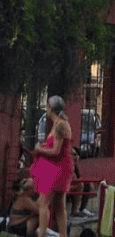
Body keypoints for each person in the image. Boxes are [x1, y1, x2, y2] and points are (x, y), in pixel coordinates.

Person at [27, 95, 74, 237]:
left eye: (47, 106)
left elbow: (56, 151)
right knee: (59, 206)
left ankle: (41, 234)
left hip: (57, 170)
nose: (46, 109)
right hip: (60, 168)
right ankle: (63, 235)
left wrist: (38, 148)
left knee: (43, 204)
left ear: (51, 108)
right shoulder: (60, 123)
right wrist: (43, 146)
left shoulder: (60, 125)